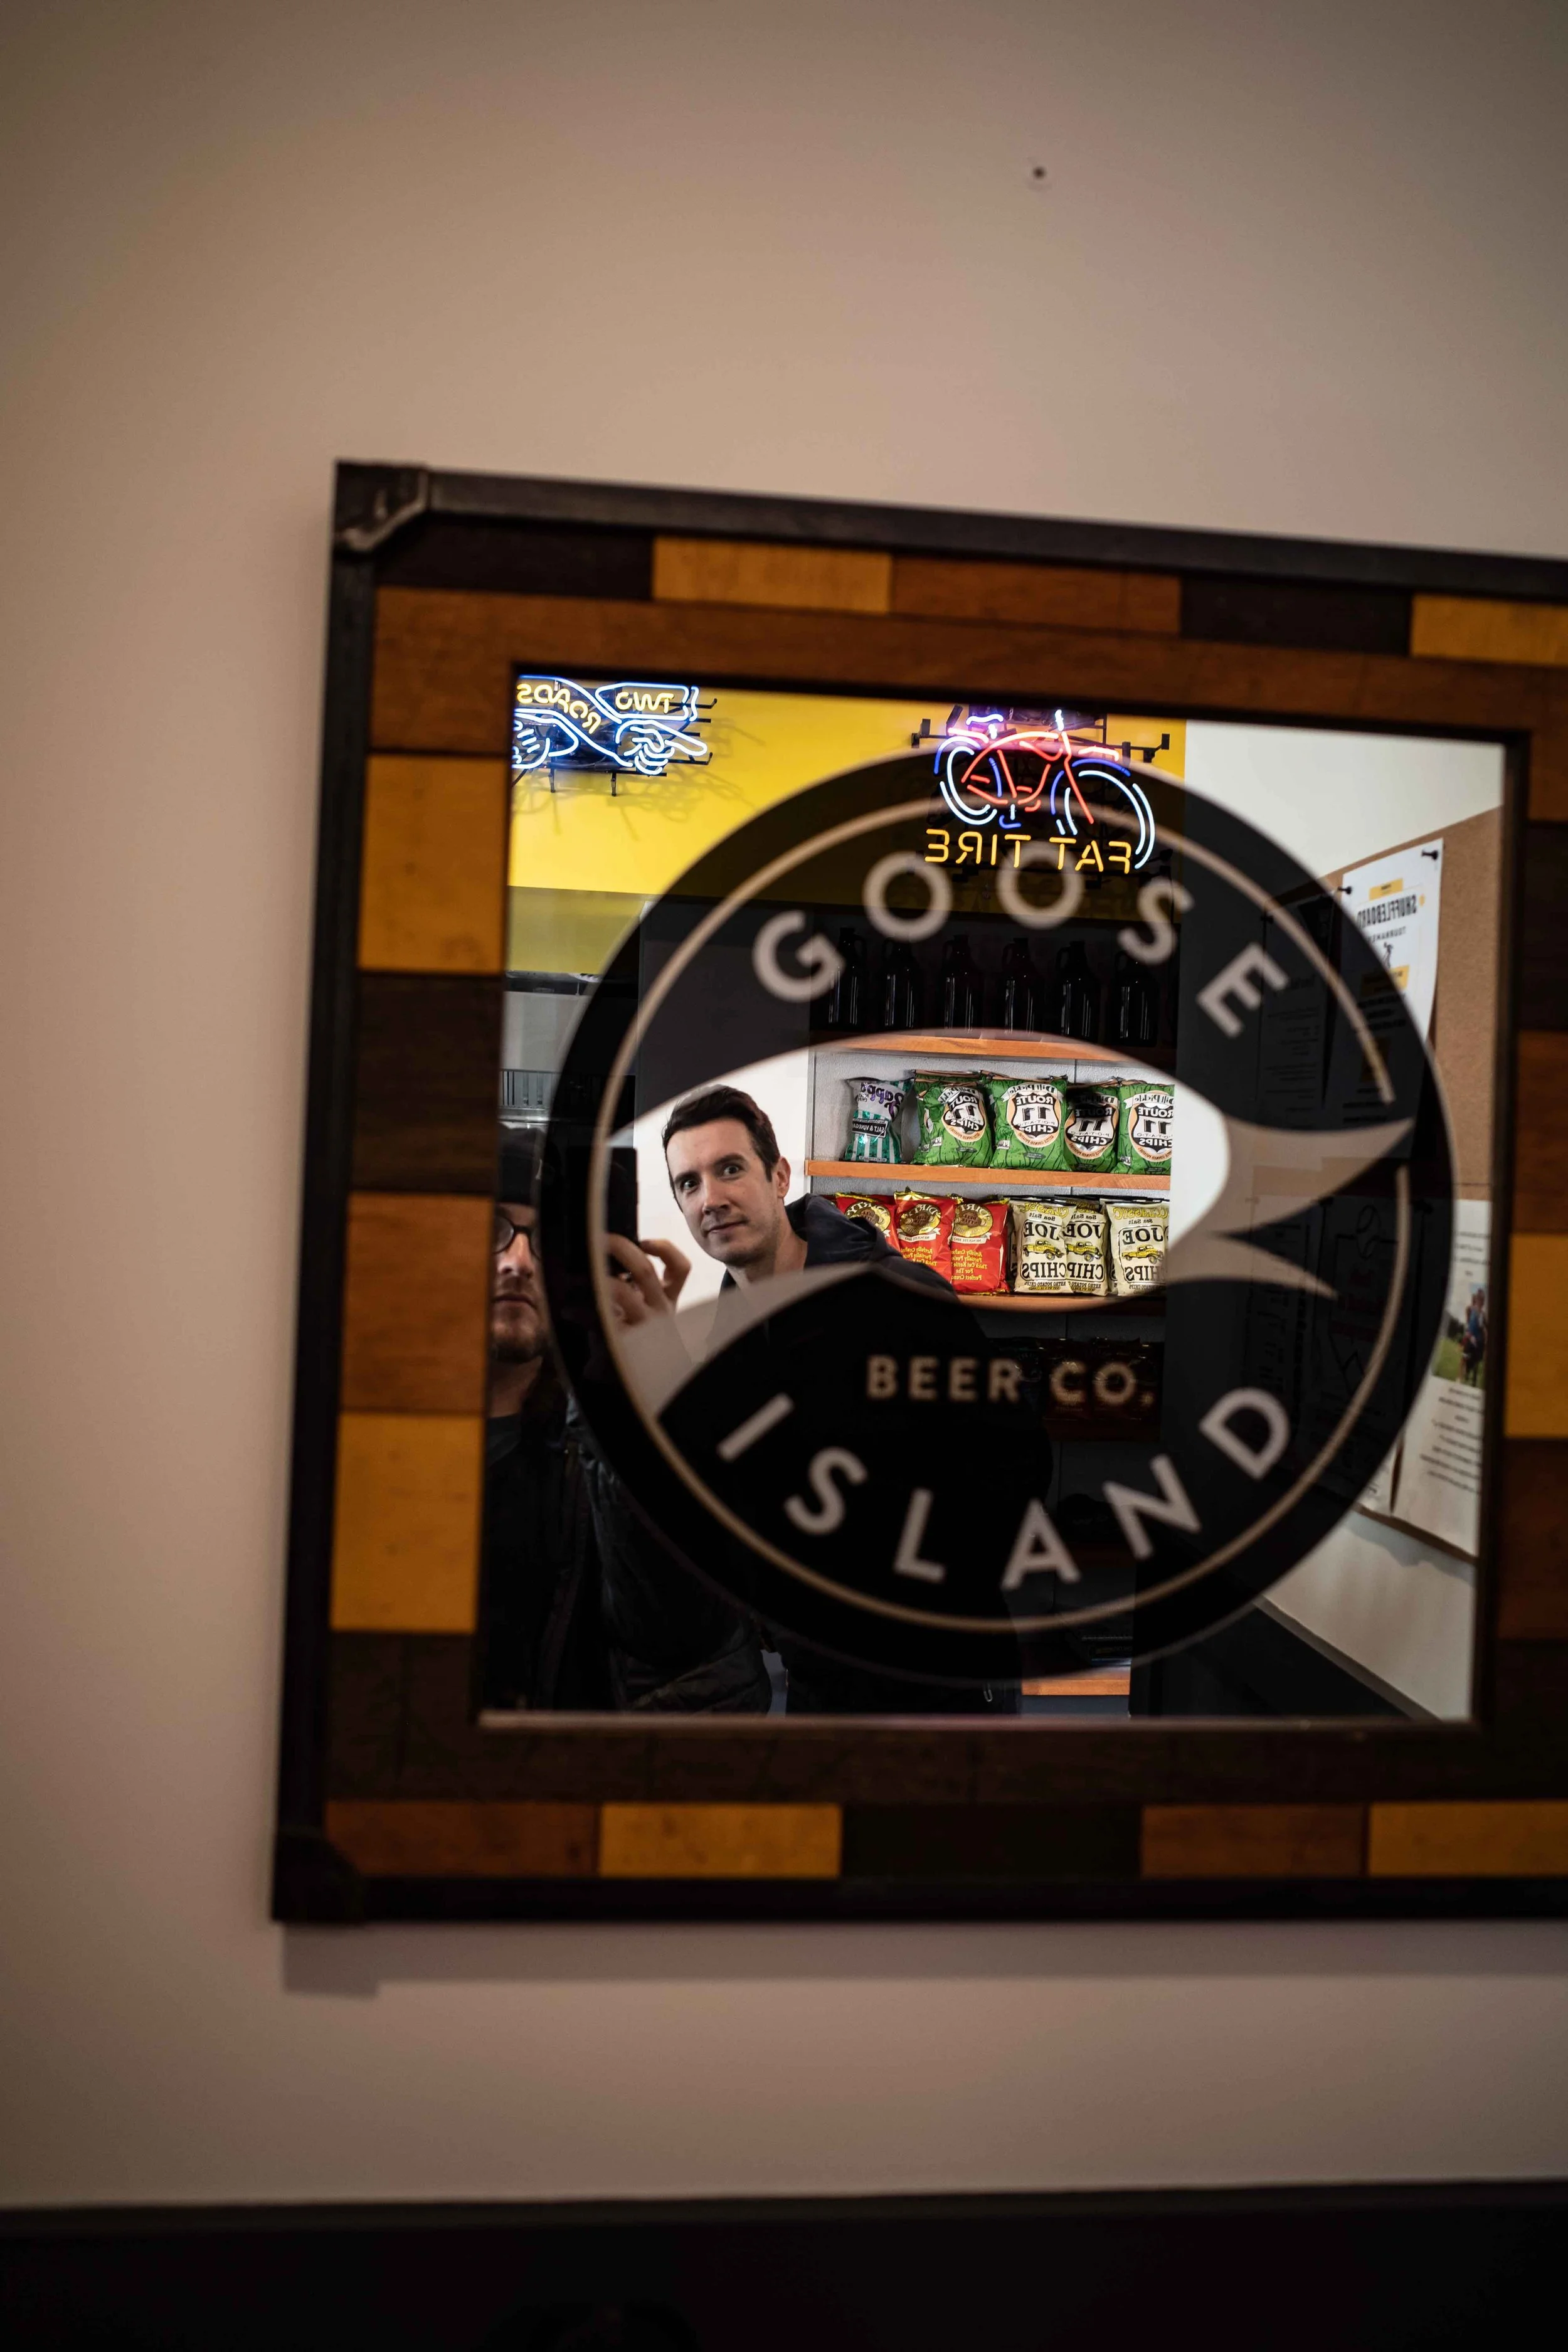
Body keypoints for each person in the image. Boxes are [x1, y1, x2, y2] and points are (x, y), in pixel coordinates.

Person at [661, 1085, 1023, 1716]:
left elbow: (1013, 1468)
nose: (710, 1198)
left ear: (778, 1177)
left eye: (730, 1169)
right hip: (820, 1681)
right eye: (688, 1183)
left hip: (939, 1679)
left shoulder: (898, 1298)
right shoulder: (729, 1341)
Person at [480, 1125, 771, 1713]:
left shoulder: (598, 1437)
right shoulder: (379, 1423)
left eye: (547, 1241)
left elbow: (690, 1644)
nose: (518, 1262)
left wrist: (643, 1413)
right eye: (493, 1233)